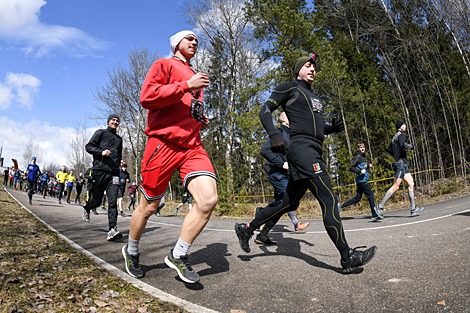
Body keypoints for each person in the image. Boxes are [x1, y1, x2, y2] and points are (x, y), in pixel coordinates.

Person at [234, 54, 377, 273]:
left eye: (314, 67)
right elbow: (264, 111)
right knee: (329, 200)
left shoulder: (314, 97)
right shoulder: (288, 87)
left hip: (314, 149)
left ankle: (247, 228)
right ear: (298, 69)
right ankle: (347, 257)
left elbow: (316, 128)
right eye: (308, 66)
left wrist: (332, 128)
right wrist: (273, 133)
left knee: (287, 203)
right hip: (301, 150)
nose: (313, 69)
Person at [122, 30, 218, 283]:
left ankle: (179, 254)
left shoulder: (195, 75)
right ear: (177, 44)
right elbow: (147, 98)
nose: (195, 42)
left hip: (192, 147)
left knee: (208, 200)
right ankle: (131, 250)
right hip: (163, 144)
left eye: (197, 40)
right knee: (149, 206)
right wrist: (186, 85)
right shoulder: (164, 64)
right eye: (190, 38)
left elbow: (185, 107)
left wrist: (199, 119)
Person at [256, 112, 310, 245]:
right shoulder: (279, 132)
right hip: (278, 174)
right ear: (284, 119)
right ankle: (261, 217)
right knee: (287, 203)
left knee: (280, 204)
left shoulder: (290, 134)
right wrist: (282, 164)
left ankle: (262, 231)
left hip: (286, 175)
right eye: (290, 115)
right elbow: (264, 150)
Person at [82, 113, 123, 242]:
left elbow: (119, 154)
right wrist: (101, 152)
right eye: (113, 120)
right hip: (99, 171)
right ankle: (87, 208)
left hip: (114, 173)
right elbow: (88, 147)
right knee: (97, 201)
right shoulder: (101, 133)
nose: (115, 122)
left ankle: (112, 230)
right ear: (108, 122)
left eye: (117, 121)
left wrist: (120, 162)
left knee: (112, 202)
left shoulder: (119, 139)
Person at [378, 120, 424, 216]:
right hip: (400, 164)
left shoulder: (395, 137)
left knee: (411, 183)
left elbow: (389, 149)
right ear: (400, 126)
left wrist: (396, 155)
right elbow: (403, 146)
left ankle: (413, 209)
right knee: (396, 186)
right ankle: (380, 207)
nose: (405, 126)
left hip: (402, 164)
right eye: (404, 124)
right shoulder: (401, 135)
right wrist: (411, 146)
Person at [339, 142, 381, 219]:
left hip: (363, 180)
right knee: (370, 195)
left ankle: (341, 206)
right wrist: (360, 171)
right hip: (362, 180)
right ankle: (374, 214)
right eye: (361, 147)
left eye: (363, 147)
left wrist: (368, 166)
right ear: (358, 148)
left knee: (358, 198)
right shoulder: (357, 157)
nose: (362, 149)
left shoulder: (364, 156)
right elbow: (351, 167)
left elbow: (363, 167)